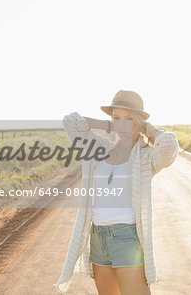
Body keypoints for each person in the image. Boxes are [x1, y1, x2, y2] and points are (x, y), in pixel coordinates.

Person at [54, 90, 180, 294]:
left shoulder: (145, 156)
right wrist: (110, 125)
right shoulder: (100, 148)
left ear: (138, 121)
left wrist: (149, 129)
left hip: (126, 239)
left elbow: (169, 146)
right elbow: (71, 122)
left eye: (129, 119)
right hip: (98, 239)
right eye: (116, 118)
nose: (121, 124)